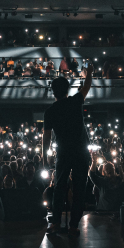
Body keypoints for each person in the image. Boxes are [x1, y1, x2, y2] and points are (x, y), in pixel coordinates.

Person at [42, 62, 93, 236]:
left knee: (59, 188)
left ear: (53, 91)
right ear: (67, 89)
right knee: (79, 189)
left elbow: (47, 137)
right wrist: (90, 72)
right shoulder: (76, 101)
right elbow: (86, 87)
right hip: (80, 152)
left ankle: (55, 222)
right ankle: (73, 226)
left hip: (63, 153)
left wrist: (44, 156)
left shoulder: (50, 111)